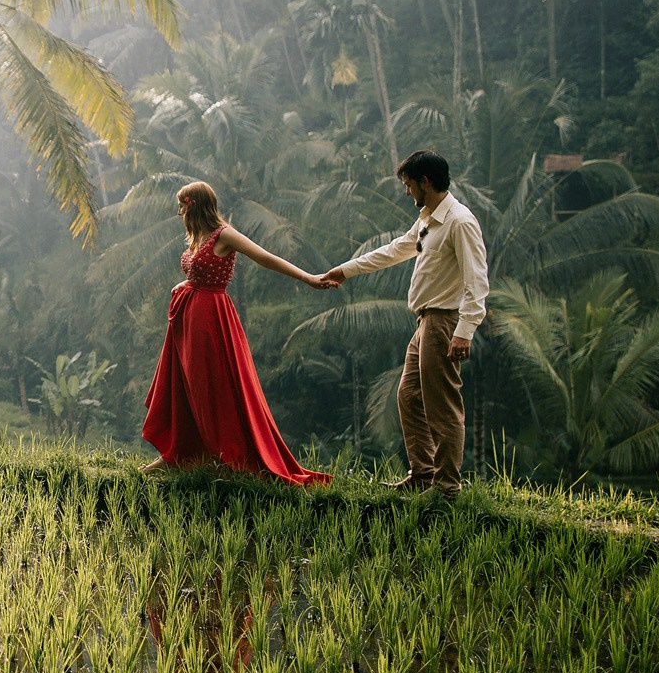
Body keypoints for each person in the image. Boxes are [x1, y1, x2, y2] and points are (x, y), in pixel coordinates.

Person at [142, 181, 337, 483]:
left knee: (213, 387)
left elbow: (264, 257)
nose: (178, 211)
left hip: (212, 319)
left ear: (194, 205)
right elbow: (196, 273)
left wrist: (307, 278)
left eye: (182, 205)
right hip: (188, 318)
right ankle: (177, 455)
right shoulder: (196, 237)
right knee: (185, 385)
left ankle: (225, 454)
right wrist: (183, 286)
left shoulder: (224, 234)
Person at [321, 150, 490, 498]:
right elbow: (398, 248)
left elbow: (477, 281)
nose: (407, 192)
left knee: (442, 405)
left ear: (425, 182)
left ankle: (447, 486)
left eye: (409, 184)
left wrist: (464, 332)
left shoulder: (459, 221)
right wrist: (347, 269)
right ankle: (423, 474)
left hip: (444, 321)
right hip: (425, 321)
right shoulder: (429, 219)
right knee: (409, 396)